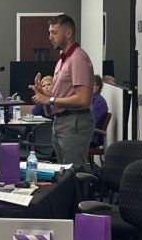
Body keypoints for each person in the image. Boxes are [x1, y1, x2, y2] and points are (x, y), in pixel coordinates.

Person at [29, 14, 94, 167]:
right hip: (61, 121)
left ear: (68, 33)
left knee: (73, 173)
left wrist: (49, 100)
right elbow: (62, 95)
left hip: (74, 121)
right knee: (63, 172)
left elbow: (83, 99)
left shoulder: (78, 58)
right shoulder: (62, 61)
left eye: (54, 32)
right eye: (49, 32)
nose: (50, 37)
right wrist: (43, 93)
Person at [90, 73, 109, 147]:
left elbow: (92, 120)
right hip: (86, 133)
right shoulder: (89, 99)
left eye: (94, 85)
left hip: (92, 137)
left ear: (98, 87)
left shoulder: (99, 102)